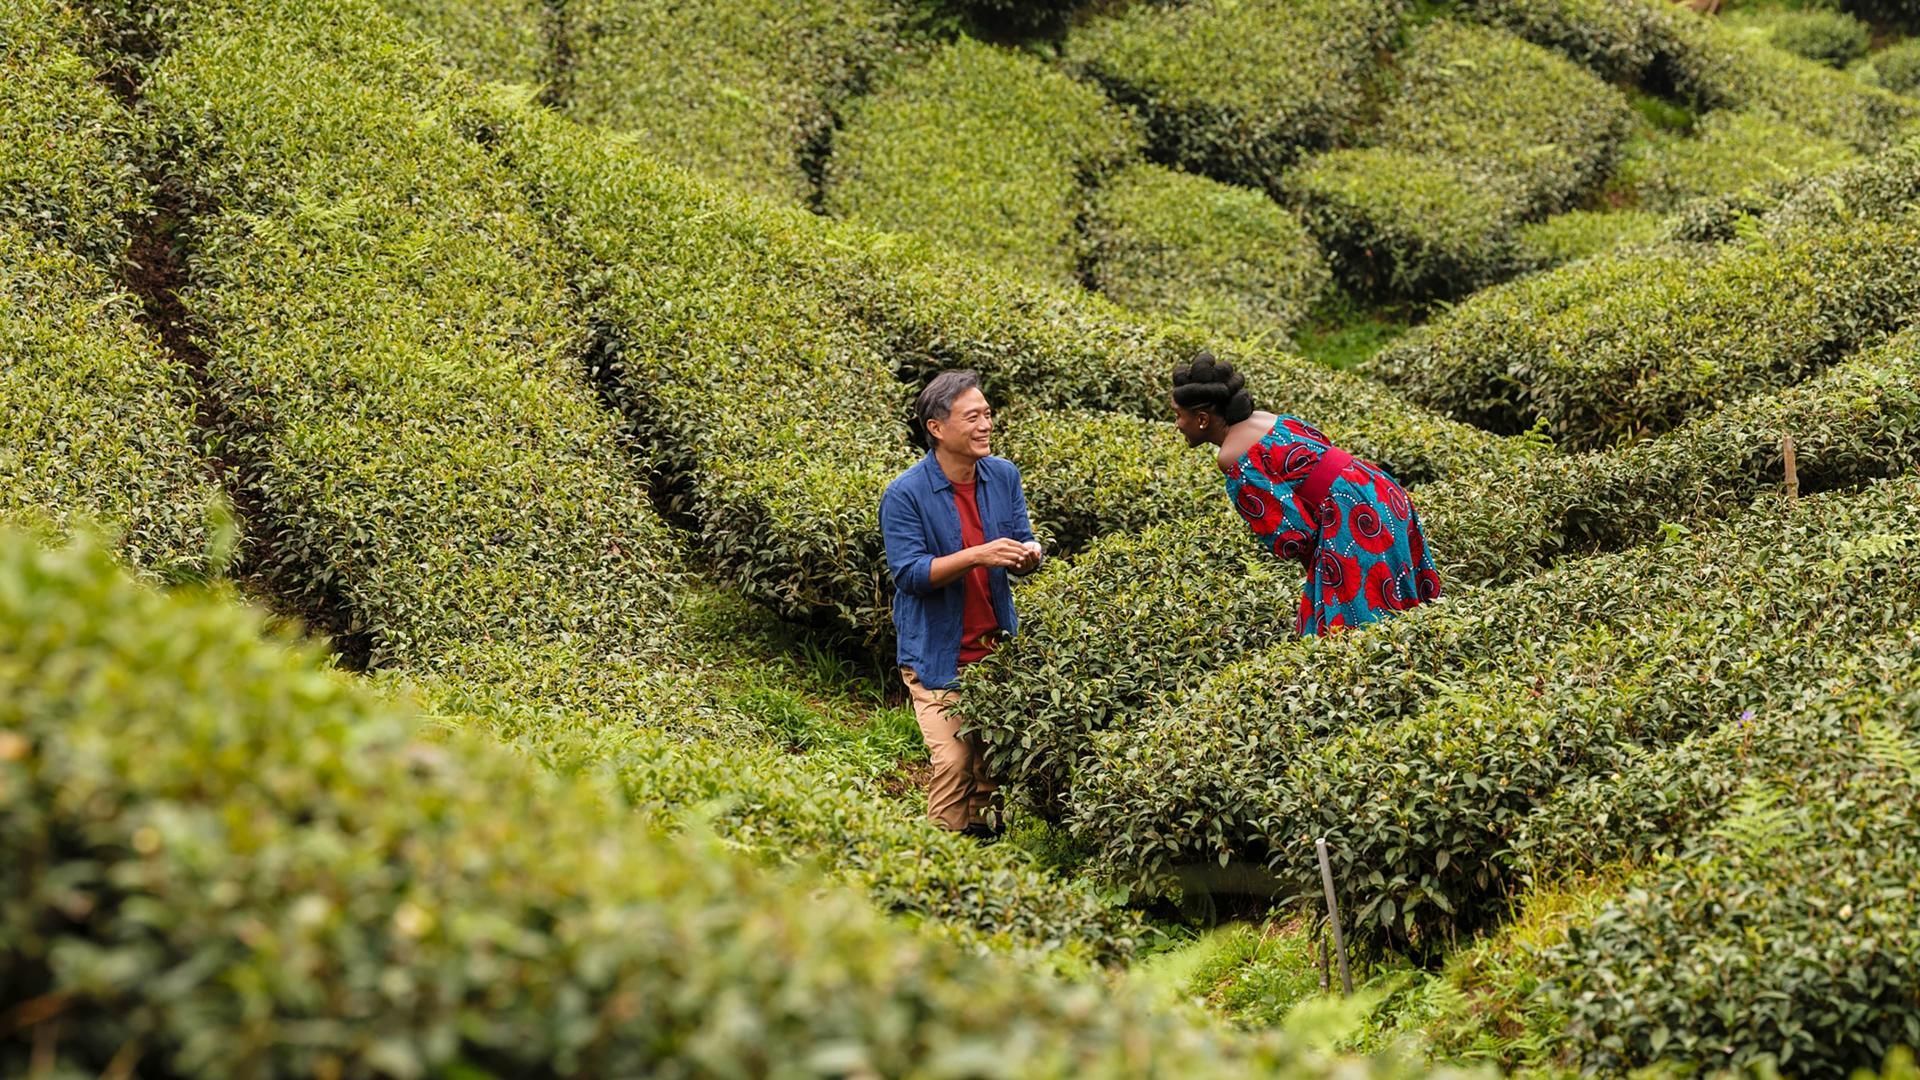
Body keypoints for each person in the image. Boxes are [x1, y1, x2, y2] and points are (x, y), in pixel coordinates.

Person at [1170, 351, 1441, 636]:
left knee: (1356, 630)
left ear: (1202, 419)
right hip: (1377, 487)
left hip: (1352, 514)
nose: (1177, 425)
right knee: (1403, 610)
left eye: (1178, 416)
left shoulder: (1232, 456)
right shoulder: (1267, 419)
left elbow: (1293, 535)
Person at [879, 370, 1042, 837]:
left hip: (995, 648)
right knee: (953, 761)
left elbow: (1023, 538)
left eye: (988, 414)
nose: (985, 425)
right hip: (936, 653)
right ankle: (939, 861)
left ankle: (982, 858)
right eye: (972, 417)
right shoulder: (905, 494)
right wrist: (979, 554)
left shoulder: (1003, 475)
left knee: (990, 767)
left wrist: (1027, 556)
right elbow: (909, 575)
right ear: (937, 427)